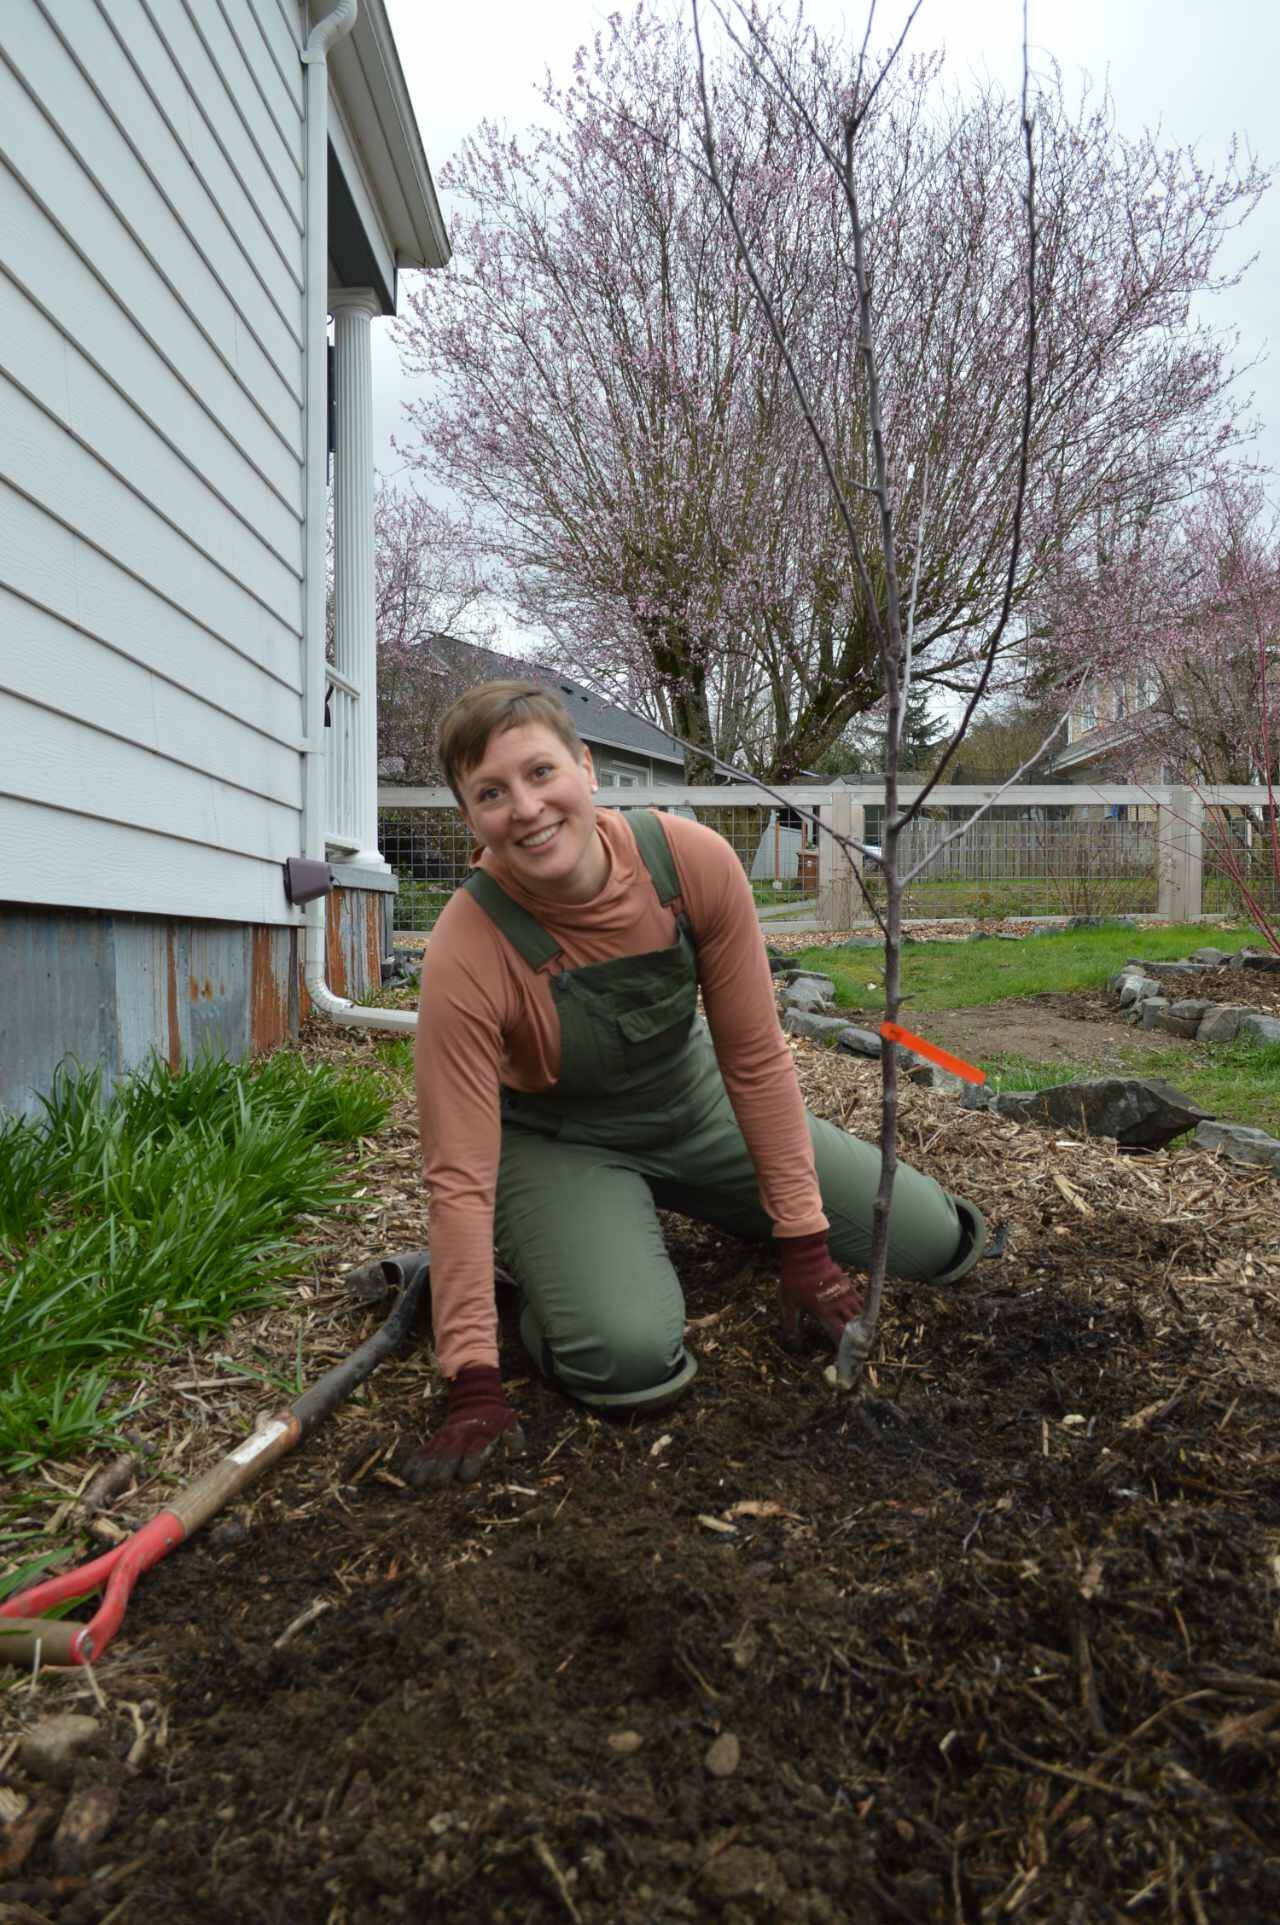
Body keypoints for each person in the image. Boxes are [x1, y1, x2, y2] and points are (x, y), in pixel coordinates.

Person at [410, 681, 987, 1485]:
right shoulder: (467, 949)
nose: (527, 808)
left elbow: (754, 1060)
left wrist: (805, 1243)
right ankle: (540, 1287)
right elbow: (461, 1173)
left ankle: (709, 1220)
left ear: (586, 768)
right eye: (492, 793)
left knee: (934, 1241)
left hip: (696, 1108)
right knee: (629, 1359)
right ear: (470, 818)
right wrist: (472, 1377)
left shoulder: (688, 864)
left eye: (541, 772)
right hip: (561, 1145)